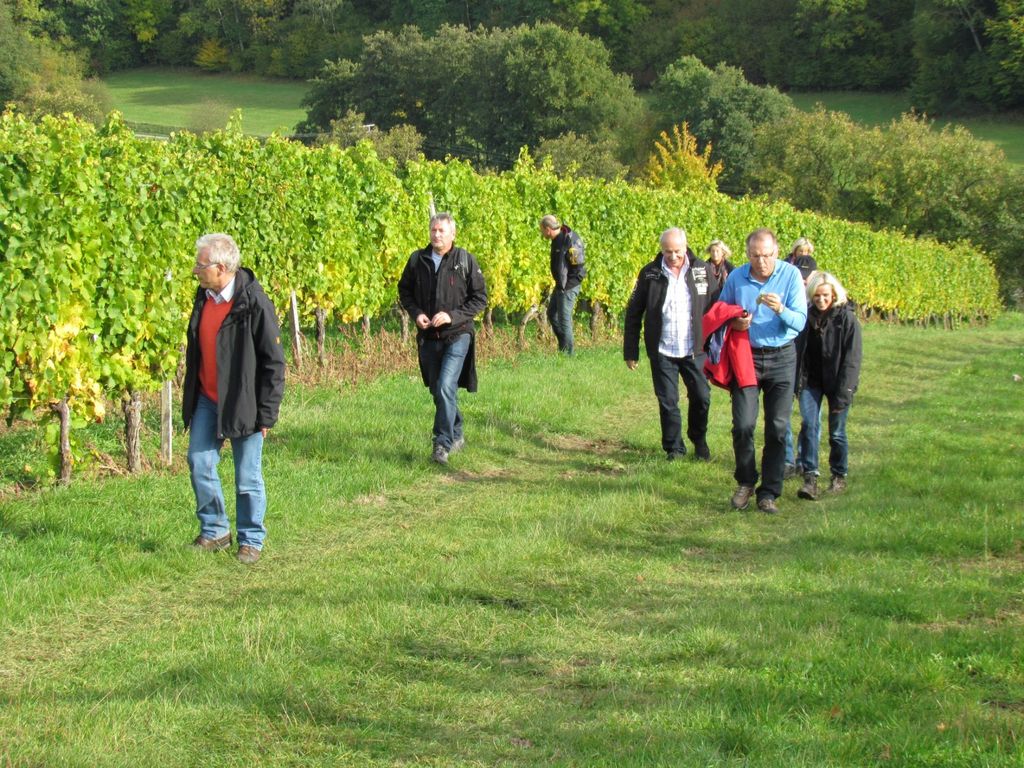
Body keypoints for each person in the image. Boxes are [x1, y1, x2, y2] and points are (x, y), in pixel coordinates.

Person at [183, 233, 286, 564]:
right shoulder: (205, 297)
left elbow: (274, 362)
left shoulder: (254, 302)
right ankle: (215, 530)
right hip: (207, 398)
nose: (196, 271)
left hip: (244, 403)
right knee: (200, 462)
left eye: (201, 265)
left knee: (247, 475)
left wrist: (267, 415)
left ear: (221, 267)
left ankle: (251, 539)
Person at [718, 228, 807, 514]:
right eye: (755, 256)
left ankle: (768, 492)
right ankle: (745, 481)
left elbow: (800, 322)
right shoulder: (736, 278)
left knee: (777, 428)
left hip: (782, 357)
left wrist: (781, 308)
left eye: (767, 256)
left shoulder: (791, 276)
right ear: (747, 255)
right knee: (743, 424)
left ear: (777, 253)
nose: (761, 262)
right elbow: (721, 311)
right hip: (747, 356)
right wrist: (735, 323)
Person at [624, 227, 721, 461]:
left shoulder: (702, 270)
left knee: (701, 396)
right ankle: (674, 448)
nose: (674, 256)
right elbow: (634, 313)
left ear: (685, 247)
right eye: (668, 252)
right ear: (661, 250)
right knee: (668, 400)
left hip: (694, 349)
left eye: (677, 251)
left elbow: (717, 305)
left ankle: (699, 440)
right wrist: (631, 351)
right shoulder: (649, 274)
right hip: (663, 349)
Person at [398, 212, 488, 465]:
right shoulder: (417, 260)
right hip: (428, 337)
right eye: (433, 230)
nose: (436, 235)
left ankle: (442, 444)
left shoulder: (465, 261)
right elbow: (404, 291)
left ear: (452, 235)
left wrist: (452, 316)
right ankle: (457, 432)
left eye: (441, 231)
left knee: (446, 385)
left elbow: (480, 298)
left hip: (457, 335)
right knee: (439, 390)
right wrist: (416, 314)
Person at [795, 271, 862, 500]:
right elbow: (798, 350)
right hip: (811, 380)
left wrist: (845, 393)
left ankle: (838, 475)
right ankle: (810, 478)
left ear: (834, 294)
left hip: (839, 382)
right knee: (809, 426)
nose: (821, 300)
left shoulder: (847, 319)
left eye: (825, 296)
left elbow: (853, 359)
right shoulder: (805, 317)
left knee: (837, 433)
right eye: (816, 297)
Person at [783, 236, 819, 478]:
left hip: (811, 369)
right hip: (786, 362)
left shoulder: (821, 301)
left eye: (808, 275)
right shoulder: (785, 295)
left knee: (810, 419)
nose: (804, 279)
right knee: (781, 415)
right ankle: (786, 460)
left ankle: (805, 460)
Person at [540, 214, 586, 355]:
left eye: (542, 230)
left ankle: (569, 354)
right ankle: (563, 346)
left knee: (564, 320)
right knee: (551, 313)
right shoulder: (556, 239)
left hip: (568, 286)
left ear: (548, 229)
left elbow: (579, 267)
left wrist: (566, 287)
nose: (541, 233)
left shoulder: (569, 240)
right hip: (561, 284)